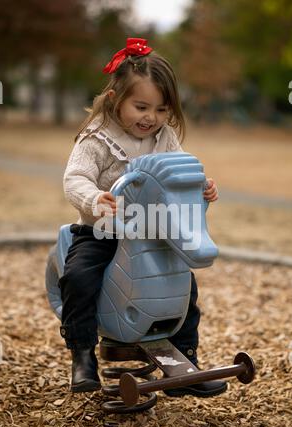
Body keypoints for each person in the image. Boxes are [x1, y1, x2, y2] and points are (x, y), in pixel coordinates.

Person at [59, 38, 227, 397]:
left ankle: (186, 360)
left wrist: (200, 189)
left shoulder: (163, 137)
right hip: (103, 230)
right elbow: (75, 178)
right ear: (115, 98)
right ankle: (82, 354)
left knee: (185, 286)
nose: (151, 118)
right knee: (78, 276)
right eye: (141, 107)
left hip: (151, 232)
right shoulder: (97, 138)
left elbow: (178, 173)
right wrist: (95, 199)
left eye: (162, 110)